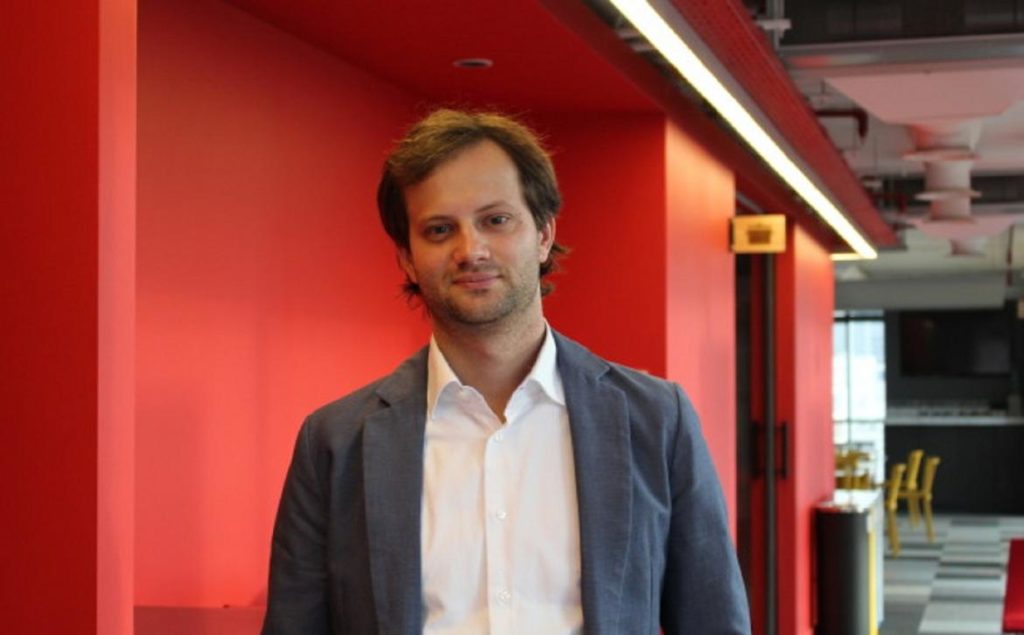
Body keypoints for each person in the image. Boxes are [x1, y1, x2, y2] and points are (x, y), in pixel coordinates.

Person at [262, 109, 751, 634]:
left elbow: (713, 623)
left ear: (543, 234)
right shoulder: (335, 443)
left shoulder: (655, 421)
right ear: (406, 257)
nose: (470, 250)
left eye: (495, 220)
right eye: (439, 229)